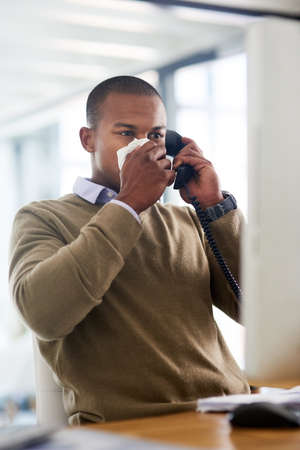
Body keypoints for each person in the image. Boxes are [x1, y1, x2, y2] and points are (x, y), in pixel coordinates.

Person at [9, 76, 250, 425]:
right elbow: (43, 314)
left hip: (228, 414)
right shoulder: (43, 218)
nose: (143, 147)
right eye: (125, 133)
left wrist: (214, 207)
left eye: (154, 135)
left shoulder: (187, 219)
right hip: (131, 428)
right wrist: (128, 205)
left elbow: (258, 312)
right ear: (87, 139)